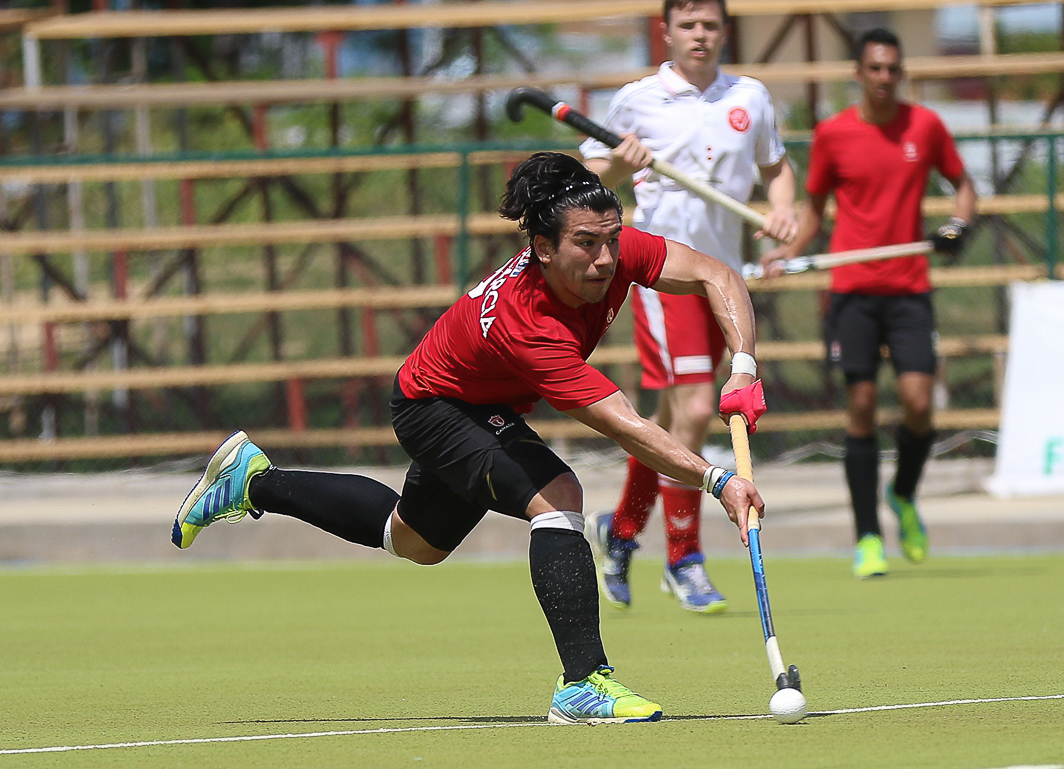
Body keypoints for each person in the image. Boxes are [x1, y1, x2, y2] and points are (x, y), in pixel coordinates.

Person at [171, 152, 769, 725]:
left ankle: (254, 481)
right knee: (559, 496)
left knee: (413, 541)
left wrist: (742, 365)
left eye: (611, 240)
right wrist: (718, 480)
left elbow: (716, 275)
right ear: (542, 248)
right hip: (434, 406)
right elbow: (628, 428)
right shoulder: (527, 322)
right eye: (586, 245)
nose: (606, 259)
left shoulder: (611, 246)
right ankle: (582, 683)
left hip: (480, 402)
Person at [579, 0, 797, 614]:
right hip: (660, 276)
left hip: (720, 279)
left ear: (724, 32)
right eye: (688, 25)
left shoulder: (749, 97)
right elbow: (591, 185)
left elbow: (777, 168)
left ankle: (620, 532)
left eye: (710, 26)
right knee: (700, 407)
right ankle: (684, 558)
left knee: (676, 422)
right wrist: (620, 165)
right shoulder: (637, 100)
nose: (700, 36)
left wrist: (785, 209)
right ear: (667, 32)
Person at [761, 28, 977, 579]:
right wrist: (787, 254)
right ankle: (867, 537)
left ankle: (903, 494)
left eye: (893, 69)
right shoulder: (834, 135)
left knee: (918, 401)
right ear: (858, 73)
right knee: (859, 407)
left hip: (909, 289)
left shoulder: (925, 127)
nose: (884, 78)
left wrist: (958, 224)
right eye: (875, 68)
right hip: (852, 290)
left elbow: (965, 187)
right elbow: (812, 212)